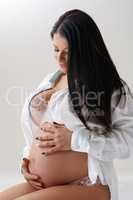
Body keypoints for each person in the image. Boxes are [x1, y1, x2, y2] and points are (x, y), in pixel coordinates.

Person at [0, 9, 133, 200]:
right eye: (55, 49)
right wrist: (27, 160)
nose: (59, 59)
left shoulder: (109, 87)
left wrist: (73, 139)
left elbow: (129, 142)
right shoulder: (50, 80)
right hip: (45, 183)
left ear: (86, 50)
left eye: (68, 53)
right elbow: (36, 134)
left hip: (88, 183)